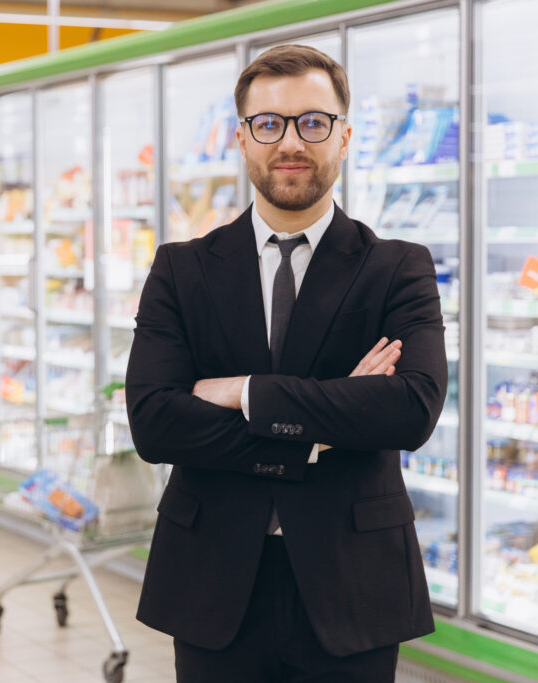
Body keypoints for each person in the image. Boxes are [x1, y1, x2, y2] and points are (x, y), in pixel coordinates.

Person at [125, 44, 448, 682]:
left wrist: (244, 392)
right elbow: (156, 423)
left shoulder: (398, 267)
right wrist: (323, 427)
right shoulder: (182, 270)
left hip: (353, 582)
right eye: (269, 123)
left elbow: (409, 410)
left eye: (313, 121)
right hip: (214, 581)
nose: (291, 141)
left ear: (345, 136)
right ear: (243, 139)